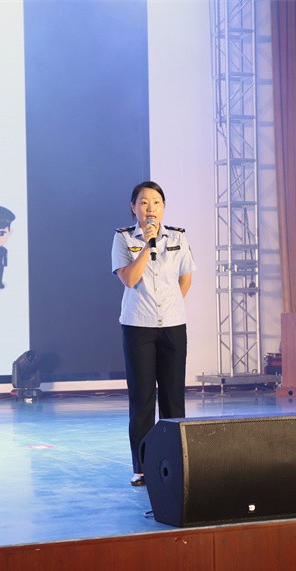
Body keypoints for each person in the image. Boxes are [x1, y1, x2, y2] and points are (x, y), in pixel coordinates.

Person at [111, 181, 196, 487]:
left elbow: (185, 279)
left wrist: (169, 308)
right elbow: (130, 279)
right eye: (144, 203)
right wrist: (148, 246)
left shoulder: (178, 237)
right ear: (133, 207)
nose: (150, 208)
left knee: (173, 398)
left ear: (163, 207)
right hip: (138, 326)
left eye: (156, 202)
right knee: (143, 400)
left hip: (172, 326)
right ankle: (143, 467)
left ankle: (177, 464)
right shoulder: (123, 238)